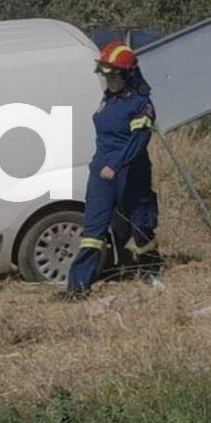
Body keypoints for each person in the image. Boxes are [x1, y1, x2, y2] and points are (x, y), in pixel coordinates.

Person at [66, 42, 161, 297]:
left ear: (128, 75)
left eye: (114, 75)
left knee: (141, 225)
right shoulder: (109, 98)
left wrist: (116, 165)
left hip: (130, 174)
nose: (108, 79)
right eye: (105, 74)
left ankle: (151, 269)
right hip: (101, 175)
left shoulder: (141, 103)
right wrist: (103, 166)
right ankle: (78, 287)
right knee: (92, 232)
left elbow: (139, 141)